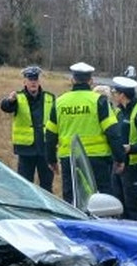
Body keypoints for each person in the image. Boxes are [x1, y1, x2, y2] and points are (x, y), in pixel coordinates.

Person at [45, 62, 124, 203]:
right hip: (98, 159)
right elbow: (113, 132)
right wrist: (119, 158)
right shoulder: (99, 101)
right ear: (91, 81)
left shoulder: (59, 103)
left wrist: (51, 160)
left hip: (69, 159)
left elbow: (50, 135)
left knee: (72, 198)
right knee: (102, 199)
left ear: (72, 80)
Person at [0, 65, 56, 192]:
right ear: (24, 82)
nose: (33, 82)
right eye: (30, 79)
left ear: (39, 81)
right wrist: (10, 101)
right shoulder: (17, 97)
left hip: (45, 149)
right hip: (26, 150)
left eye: (35, 79)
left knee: (47, 187)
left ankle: (47, 211)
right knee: (24, 186)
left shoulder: (49, 98)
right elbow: (5, 107)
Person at [108, 76, 137, 221]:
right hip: (118, 164)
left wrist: (131, 148)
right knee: (118, 204)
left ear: (122, 95)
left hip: (133, 166)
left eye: (115, 93)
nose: (114, 95)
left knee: (132, 206)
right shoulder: (119, 111)